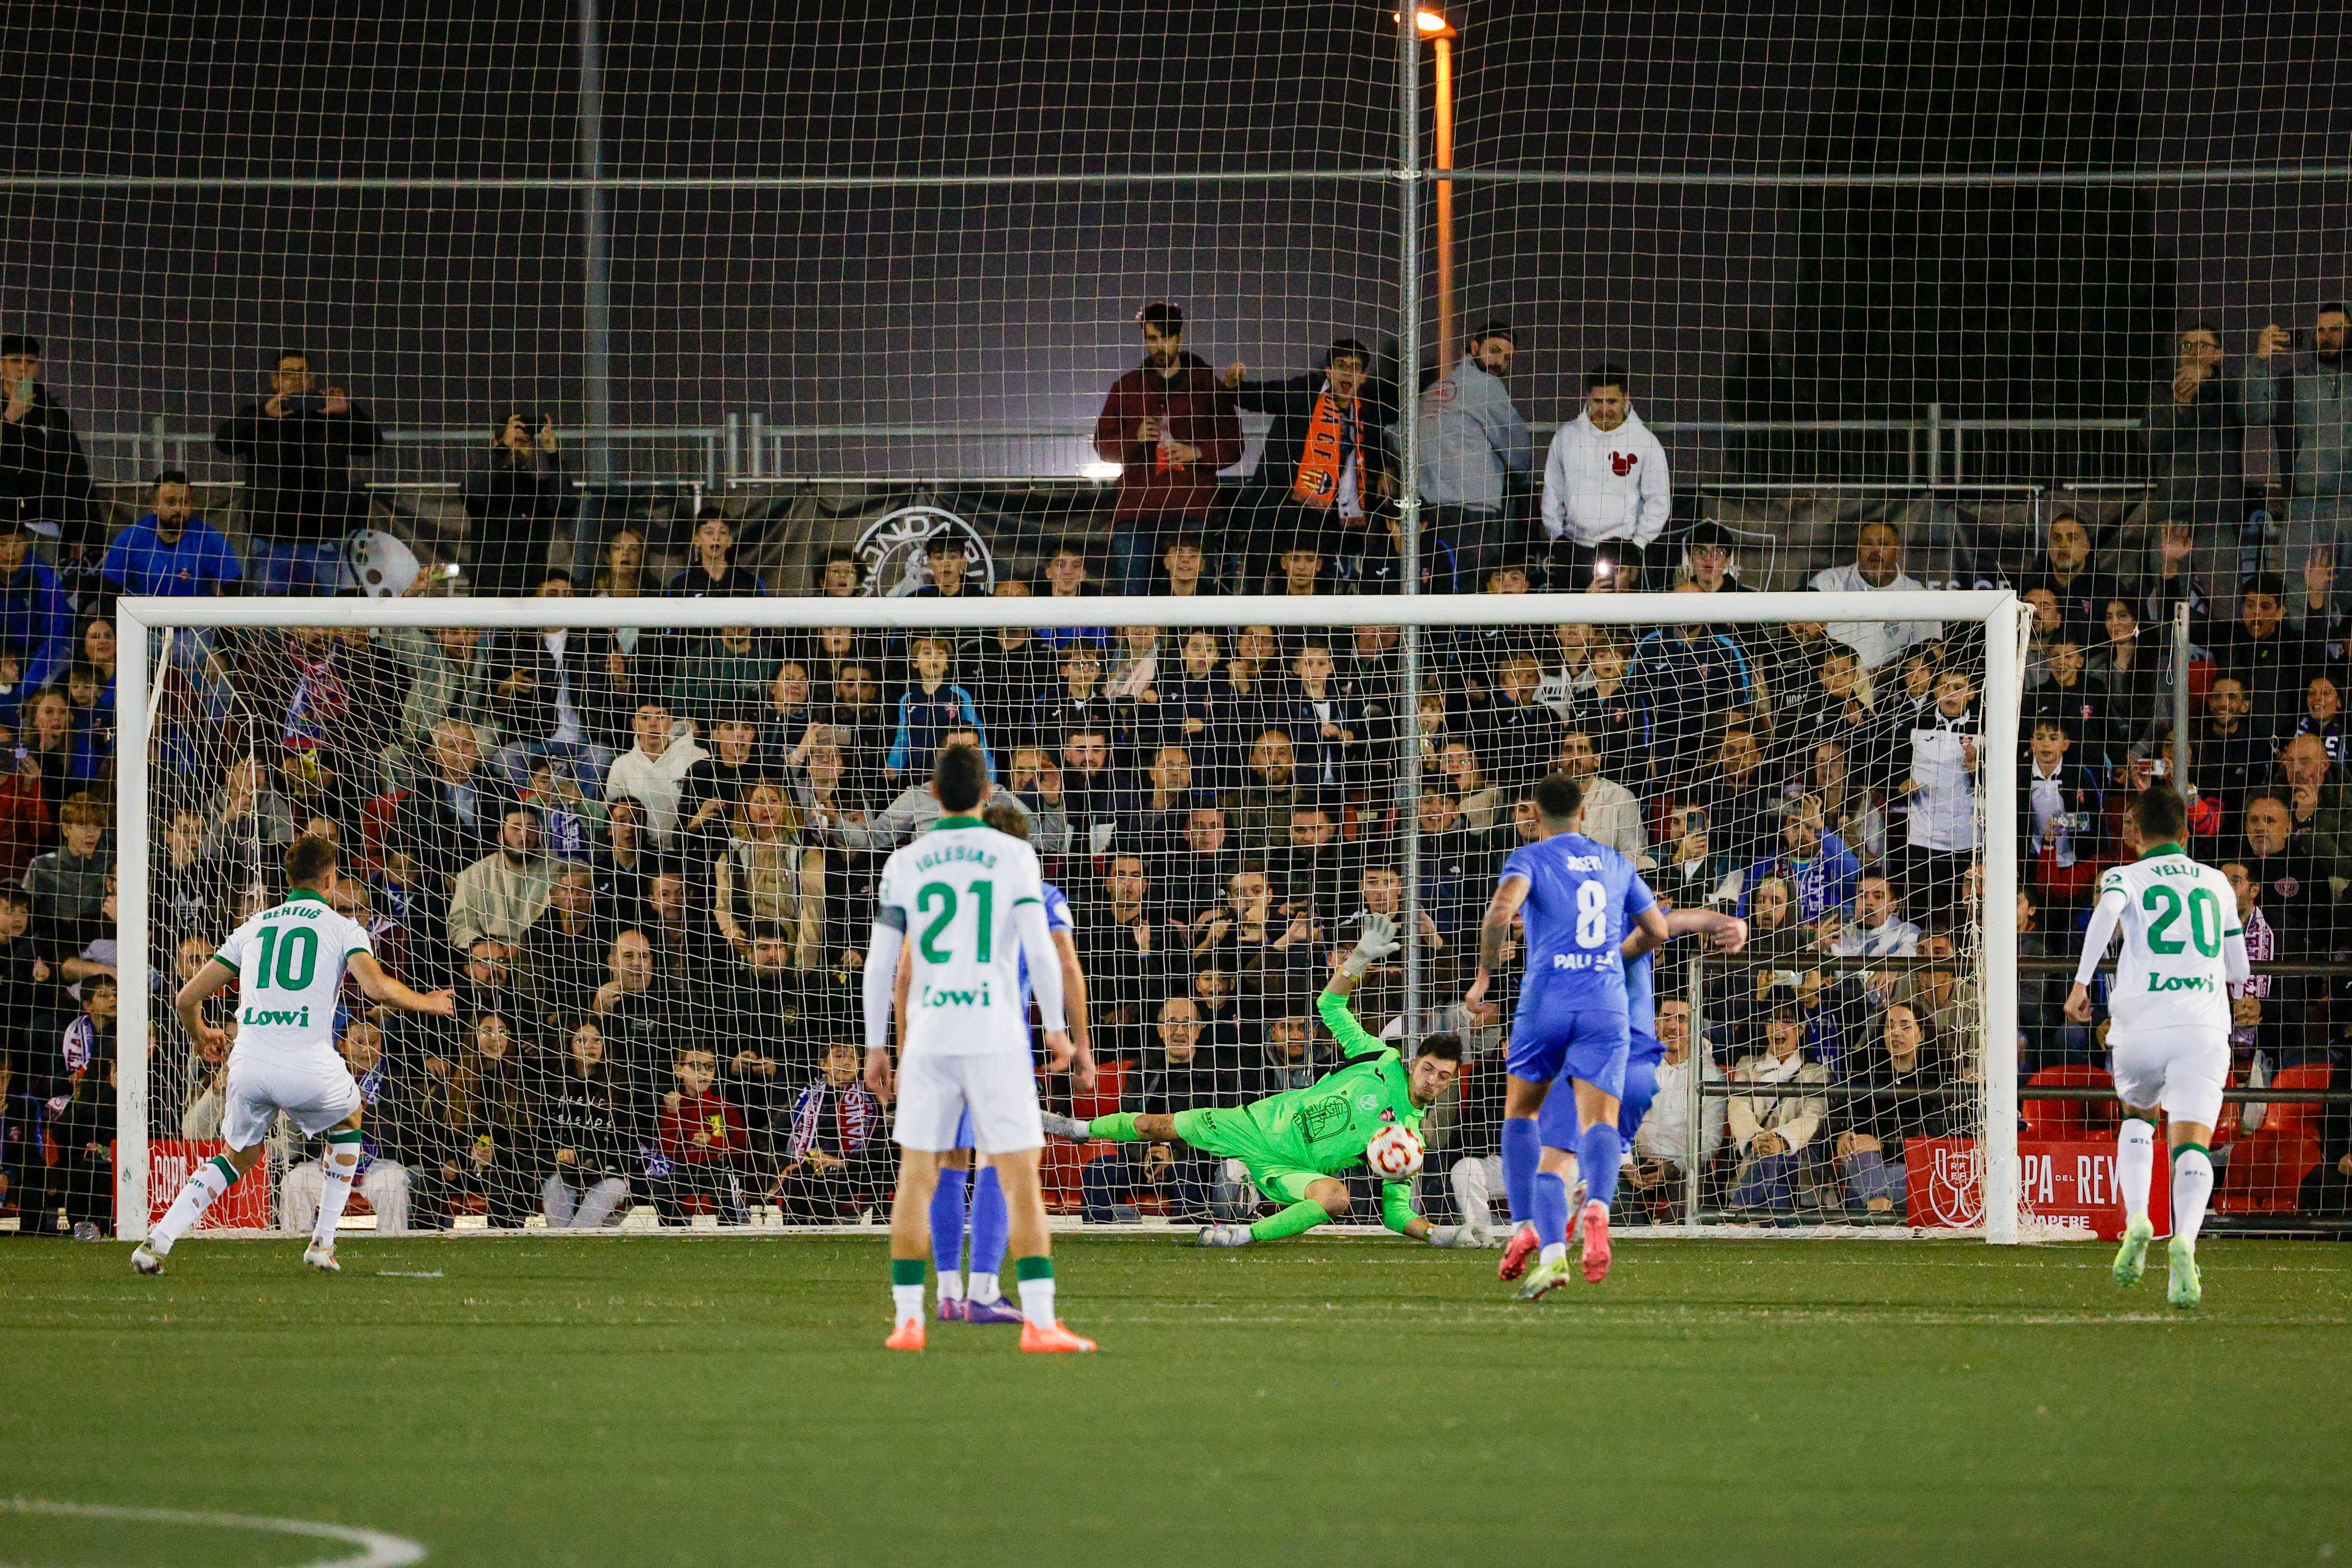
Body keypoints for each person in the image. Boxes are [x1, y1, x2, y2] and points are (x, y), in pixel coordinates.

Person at [1047, 911, 1471, 1248]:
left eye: (1443, 1077)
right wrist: (1358, 959)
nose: (1433, 1080)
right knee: (1155, 1125)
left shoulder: (1409, 1139)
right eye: (1429, 1068)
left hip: (1291, 1168)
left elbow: (1396, 1214)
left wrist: (1438, 1233)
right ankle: (1078, 1129)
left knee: (1335, 1198)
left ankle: (1241, 1236)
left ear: (1451, 1083)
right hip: (1256, 1123)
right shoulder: (1379, 1057)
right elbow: (1331, 1006)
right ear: (1415, 1062)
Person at [134, 834, 456, 1275]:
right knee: (350, 1120)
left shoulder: (253, 926)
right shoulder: (343, 928)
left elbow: (187, 997)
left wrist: (201, 1034)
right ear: (329, 879)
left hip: (249, 1065)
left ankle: (160, 1238)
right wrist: (431, 1002)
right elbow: (378, 989)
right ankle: (322, 1243)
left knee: (238, 1156)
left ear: (288, 879)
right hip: (309, 1066)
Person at [859, 743, 1090, 1352]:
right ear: (988, 793)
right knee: (1018, 1174)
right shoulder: (1014, 854)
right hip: (994, 1033)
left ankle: (909, 1317)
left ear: (933, 794)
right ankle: (1040, 1321)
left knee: (919, 1174)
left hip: (931, 1034)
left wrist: (877, 1045)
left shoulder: (907, 861)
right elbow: (1043, 950)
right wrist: (1058, 1029)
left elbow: (884, 962)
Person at [1465, 772, 1671, 1295]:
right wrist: (1609, 956)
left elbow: (1498, 913)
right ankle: (1599, 1205)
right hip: (1603, 1004)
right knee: (1599, 1119)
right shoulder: (1616, 863)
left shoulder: (1530, 858)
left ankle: (1526, 1231)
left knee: (1521, 1114)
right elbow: (1658, 931)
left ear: (1533, 815)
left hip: (1546, 1001)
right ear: (1584, 814)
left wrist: (1486, 975)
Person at [2065, 785, 2248, 1308]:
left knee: (2136, 1118)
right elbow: (2238, 972)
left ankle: (2138, 1216)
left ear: (2133, 832)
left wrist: (2080, 984)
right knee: (2192, 1142)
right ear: (2186, 833)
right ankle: (2185, 1241)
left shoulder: (2125, 875)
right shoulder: (2216, 883)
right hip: (2201, 1026)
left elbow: (2105, 913)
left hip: (2140, 1023)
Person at [918, 798, 1093, 1325]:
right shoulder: (1037, 894)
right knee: (1000, 1159)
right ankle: (984, 1290)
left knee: (949, 1161)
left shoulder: (939, 893)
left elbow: (907, 971)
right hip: (996, 1040)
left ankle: (947, 1292)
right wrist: (1074, 1041)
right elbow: (1064, 963)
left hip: (939, 1034)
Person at [1092, 303, 1241, 597]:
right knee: (1131, 603)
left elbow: (1234, 446)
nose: (1160, 345)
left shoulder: (1208, 385)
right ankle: (1131, 646)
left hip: (1192, 508)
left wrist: (1196, 452)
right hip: (1137, 511)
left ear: (1180, 337)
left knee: (1199, 602)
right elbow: (1103, 446)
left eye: (1166, 337)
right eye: (1152, 338)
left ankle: (1199, 645)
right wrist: (1133, 439)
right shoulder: (1126, 387)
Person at [212, 350, 383, 595]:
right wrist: (263, 416)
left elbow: (373, 444)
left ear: (312, 380)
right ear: (275, 381)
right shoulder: (258, 414)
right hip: (271, 542)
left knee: (329, 621)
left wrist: (347, 412)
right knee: (272, 625)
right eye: (288, 373)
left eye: (302, 372)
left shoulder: (331, 415)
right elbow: (224, 443)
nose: (296, 378)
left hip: (325, 541)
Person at [1224, 338, 1388, 580]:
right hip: (1278, 508)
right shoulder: (1305, 393)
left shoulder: (1368, 411)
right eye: (1340, 365)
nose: (1347, 372)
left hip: (1326, 516)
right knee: (1261, 580)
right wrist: (1234, 386)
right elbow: (1262, 396)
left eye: (1354, 367)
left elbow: (1375, 451)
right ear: (1328, 371)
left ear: (1363, 377)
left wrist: (1388, 470)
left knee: (1323, 580)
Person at [1410, 321, 1533, 592]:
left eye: (1508, 357)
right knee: (1471, 594)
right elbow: (1518, 449)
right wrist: (1517, 476)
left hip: (1430, 512)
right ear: (1475, 347)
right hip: (1473, 514)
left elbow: (1400, 437)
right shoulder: (1487, 387)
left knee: (1437, 591)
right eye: (1495, 350)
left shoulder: (1435, 389)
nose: (1500, 361)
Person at [1540, 365, 1669, 590]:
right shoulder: (1566, 437)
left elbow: (1658, 500)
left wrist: (1638, 544)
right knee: (1571, 623)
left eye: (1612, 401)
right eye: (1598, 401)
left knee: (1614, 623)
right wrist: (1557, 538)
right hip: (1574, 548)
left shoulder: (1645, 442)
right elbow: (1552, 492)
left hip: (1621, 551)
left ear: (1626, 399)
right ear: (1588, 399)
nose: (1604, 409)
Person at [2249, 304, 2351, 576]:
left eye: (2336, 329)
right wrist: (2261, 359)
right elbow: (2254, 413)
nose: (2327, 336)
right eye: (2321, 330)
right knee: (2298, 594)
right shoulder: (2292, 381)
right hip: (2305, 506)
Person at [0, 334, 97, 562]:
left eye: (30, 362)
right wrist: (9, 420)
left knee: (43, 589)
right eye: (15, 361)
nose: (23, 369)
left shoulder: (54, 415)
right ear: (2, 365)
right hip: (1, 525)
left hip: (42, 528)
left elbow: (75, 473)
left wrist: (79, 531)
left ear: (38, 367)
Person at [1808, 522, 1940, 672]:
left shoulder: (1917, 597)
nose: (1875, 550)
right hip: (1831, 687)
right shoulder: (1829, 583)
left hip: (1892, 691)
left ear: (1897, 551)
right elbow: (1806, 642)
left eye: (1883, 544)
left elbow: (1930, 656)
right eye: (1867, 544)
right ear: (1858, 550)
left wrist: (1871, 682)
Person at [462, 411, 569, 595]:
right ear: (496, 444)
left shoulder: (537, 489)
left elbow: (565, 504)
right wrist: (504, 448)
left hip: (531, 595)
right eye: (515, 440)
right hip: (488, 595)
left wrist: (553, 456)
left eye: (525, 442)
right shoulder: (485, 485)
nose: (519, 446)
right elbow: (471, 493)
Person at [98, 470, 242, 601]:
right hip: (143, 625)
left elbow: (237, 590)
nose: (179, 509)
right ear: (155, 506)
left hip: (196, 625)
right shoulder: (130, 539)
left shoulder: (210, 540)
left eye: (184, 502)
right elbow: (109, 592)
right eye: (171, 502)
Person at [0, 513, 73, 693]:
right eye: (2, 543)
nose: (11, 552)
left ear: (26, 545)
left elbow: (54, 637)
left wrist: (29, 684)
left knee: (46, 688)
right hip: (6, 656)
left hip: (45, 652)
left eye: (17, 543)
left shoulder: (45, 579)